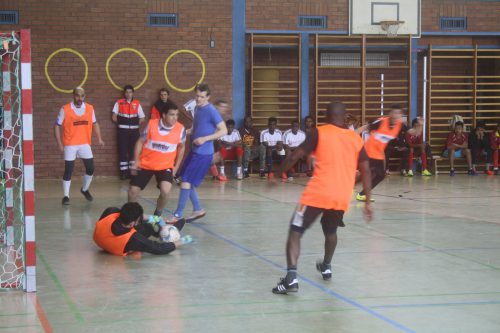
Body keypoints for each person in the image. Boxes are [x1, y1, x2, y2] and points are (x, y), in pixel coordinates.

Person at [271, 102, 373, 295]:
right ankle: (326, 265)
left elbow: (294, 157)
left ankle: (291, 278)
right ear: (345, 118)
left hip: (317, 194)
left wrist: (276, 174)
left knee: (295, 230)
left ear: (326, 117)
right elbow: (367, 170)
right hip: (341, 196)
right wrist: (367, 202)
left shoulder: (320, 132)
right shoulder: (355, 139)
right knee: (331, 231)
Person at [166, 83, 227, 223]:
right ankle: (198, 209)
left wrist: (205, 138)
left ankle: (177, 214)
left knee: (186, 181)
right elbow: (194, 129)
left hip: (203, 154)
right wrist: (179, 134)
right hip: (194, 151)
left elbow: (223, 130)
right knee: (186, 180)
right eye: (197, 96)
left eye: (202, 97)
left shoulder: (211, 110)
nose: (199, 99)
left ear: (208, 97)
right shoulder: (197, 108)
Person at [128, 102, 186, 217]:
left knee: (165, 191)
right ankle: (132, 216)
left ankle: (157, 214)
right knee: (133, 191)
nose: (175, 118)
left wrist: (176, 167)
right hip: (146, 164)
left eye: (176, 115)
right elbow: (140, 141)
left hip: (165, 166)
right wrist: (136, 160)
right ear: (163, 115)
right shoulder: (151, 124)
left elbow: (182, 147)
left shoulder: (180, 129)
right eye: (172, 115)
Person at [54, 87, 105, 205]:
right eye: (77, 95)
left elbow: (95, 123)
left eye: (82, 96)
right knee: (69, 170)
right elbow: (56, 126)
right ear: (73, 95)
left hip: (84, 144)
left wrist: (99, 138)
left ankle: (85, 189)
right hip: (70, 144)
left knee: (91, 169)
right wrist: (59, 143)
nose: (79, 98)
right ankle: (66, 196)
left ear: (85, 96)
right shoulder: (65, 109)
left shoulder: (90, 108)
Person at [94, 202, 192, 256]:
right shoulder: (134, 239)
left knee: (148, 223)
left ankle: (165, 228)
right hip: (119, 246)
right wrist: (183, 241)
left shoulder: (110, 212)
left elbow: (125, 215)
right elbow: (159, 249)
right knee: (148, 227)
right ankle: (168, 233)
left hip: (100, 241)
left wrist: (154, 218)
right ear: (133, 222)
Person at [356, 105, 406, 202]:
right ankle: (347, 188)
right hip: (368, 152)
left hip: (378, 154)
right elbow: (364, 127)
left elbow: (412, 132)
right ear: (390, 113)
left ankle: (361, 194)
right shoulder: (381, 122)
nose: (396, 115)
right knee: (365, 174)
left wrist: (419, 126)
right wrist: (350, 136)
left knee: (380, 175)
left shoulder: (400, 125)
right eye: (394, 113)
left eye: (399, 113)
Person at [111, 85, 146, 180]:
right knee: (122, 151)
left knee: (133, 151)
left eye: (130, 92)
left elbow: (142, 117)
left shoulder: (137, 103)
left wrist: (134, 123)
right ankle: (123, 173)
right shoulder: (119, 103)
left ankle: (132, 172)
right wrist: (123, 123)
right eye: (126, 92)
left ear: (132, 93)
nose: (128, 94)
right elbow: (114, 117)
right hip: (122, 131)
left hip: (134, 131)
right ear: (124, 93)